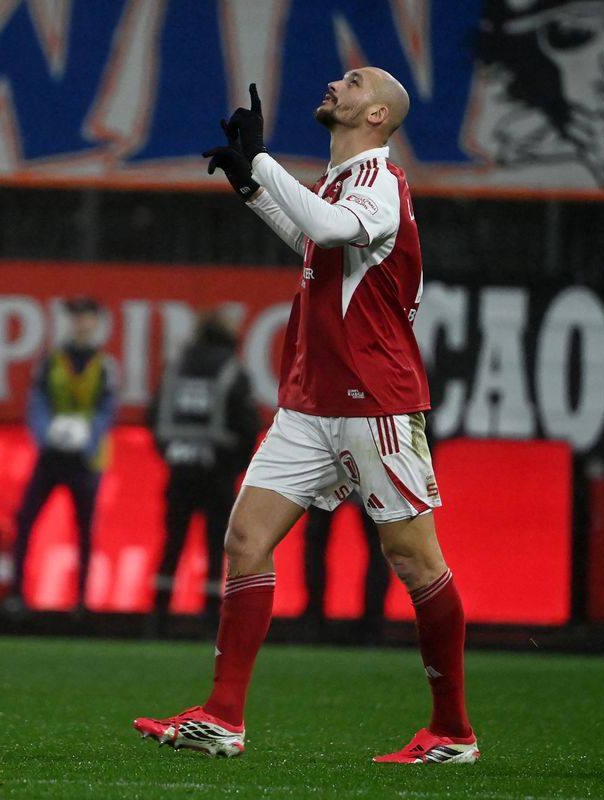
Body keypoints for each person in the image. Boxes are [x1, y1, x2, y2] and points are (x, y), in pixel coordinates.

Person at [133, 70, 479, 764]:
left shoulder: (380, 181)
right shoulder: (341, 186)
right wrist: (252, 188)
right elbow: (312, 236)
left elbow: (324, 226)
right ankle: (223, 716)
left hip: (375, 401)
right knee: (245, 539)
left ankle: (452, 731)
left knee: (412, 561)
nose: (334, 83)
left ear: (377, 114)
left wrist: (263, 159)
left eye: (352, 82)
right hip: (310, 403)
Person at [145, 308, 260, 636]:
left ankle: (157, 618)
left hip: (180, 472)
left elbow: (155, 418)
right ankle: (213, 621)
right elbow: (247, 426)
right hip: (218, 476)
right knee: (215, 548)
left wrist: (173, 454)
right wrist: (232, 467)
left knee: (172, 544)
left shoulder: (175, 369)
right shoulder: (233, 372)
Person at [4, 296, 118, 614]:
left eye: (86, 317)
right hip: (52, 456)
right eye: (76, 317)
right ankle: (16, 592)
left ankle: (81, 599)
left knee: (84, 529)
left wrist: (87, 438)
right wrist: (46, 435)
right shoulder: (52, 361)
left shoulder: (104, 365)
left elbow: (107, 410)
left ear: (97, 322)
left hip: (86, 459)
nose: (81, 323)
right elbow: (37, 400)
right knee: (25, 519)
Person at [301, 500, 388, 643]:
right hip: (363, 479)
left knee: (316, 540)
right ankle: (373, 627)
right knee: (378, 544)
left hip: (328, 479)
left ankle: (312, 623)